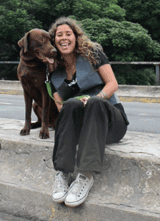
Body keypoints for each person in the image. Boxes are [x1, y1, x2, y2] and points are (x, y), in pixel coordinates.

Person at [48, 17, 129, 207]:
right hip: (83, 127)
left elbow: (113, 84)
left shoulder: (92, 53)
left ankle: (86, 175)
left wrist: (97, 98)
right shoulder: (54, 71)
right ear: (54, 41)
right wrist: (76, 102)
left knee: (94, 103)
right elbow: (61, 107)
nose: (64, 38)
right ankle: (62, 173)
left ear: (76, 37)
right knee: (71, 106)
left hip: (110, 121)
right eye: (59, 35)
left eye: (68, 34)